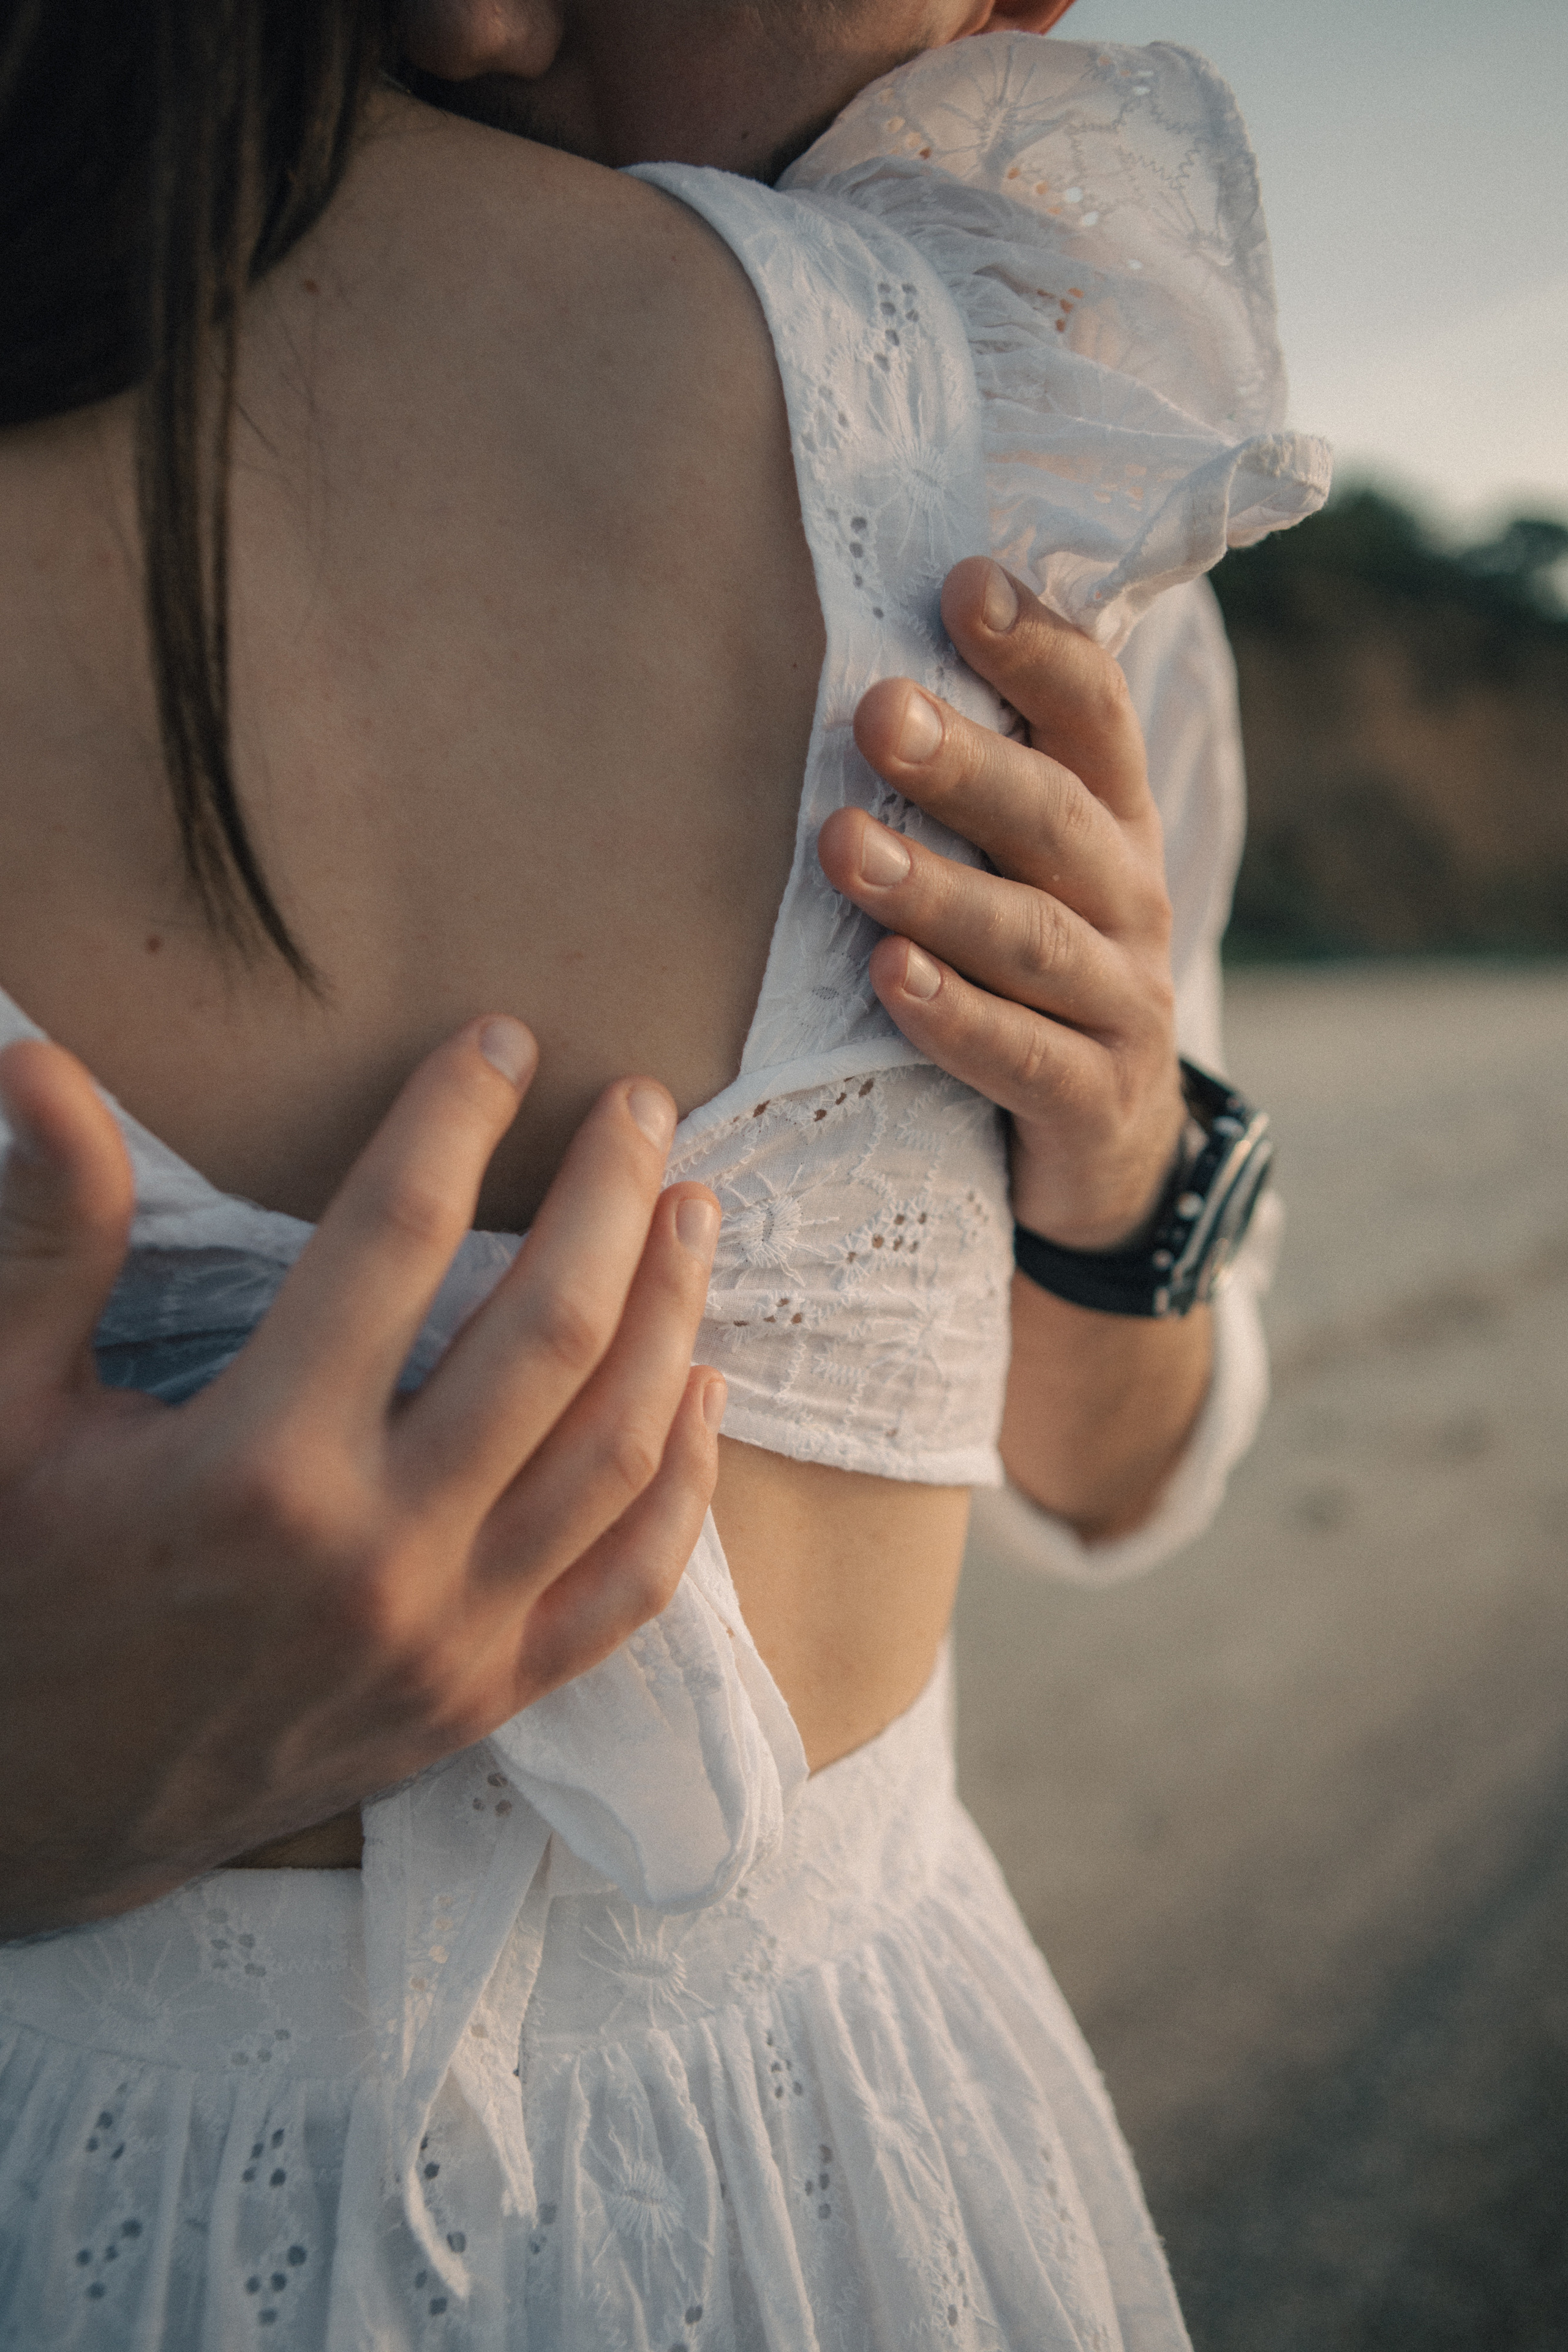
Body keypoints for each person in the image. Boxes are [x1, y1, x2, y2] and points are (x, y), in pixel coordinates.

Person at [0, 1, 1327, 2342]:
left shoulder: (1033, 497)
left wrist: (1119, 1171)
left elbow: (1113, 1486)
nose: (1028, 10)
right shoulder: (983, 418)